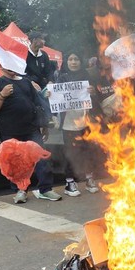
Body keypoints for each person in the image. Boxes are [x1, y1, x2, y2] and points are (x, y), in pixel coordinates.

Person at [0, 64, 62, 203]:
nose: (10, 65)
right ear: (1, 64)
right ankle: (20, 191)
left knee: (41, 158)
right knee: (15, 162)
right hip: (9, 130)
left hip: (31, 128)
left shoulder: (26, 82)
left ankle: (46, 189)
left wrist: (43, 124)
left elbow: (38, 104)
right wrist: (2, 95)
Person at [55, 52, 101, 196]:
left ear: (81, 62)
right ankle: (70, 182)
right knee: (70, 153)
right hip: (68, 123)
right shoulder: (62, 78)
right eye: (70, 59)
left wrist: (93, 93)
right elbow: (55, 97)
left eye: (76, 59)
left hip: (85, 121)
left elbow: (97, 100)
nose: (73, 62)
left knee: (87, 151)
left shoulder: (88, 78)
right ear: (66, 62)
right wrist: (51, 96)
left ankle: (89, 179)